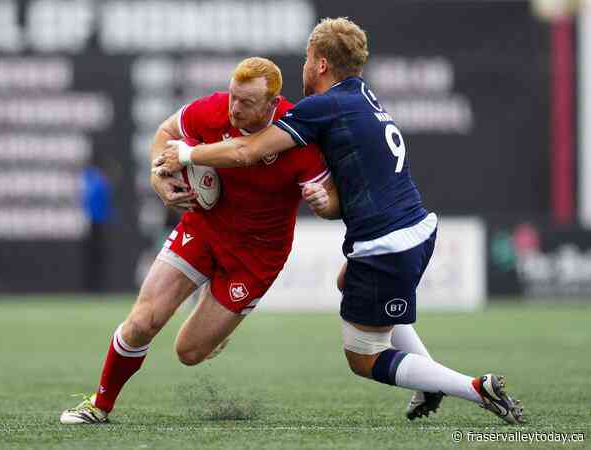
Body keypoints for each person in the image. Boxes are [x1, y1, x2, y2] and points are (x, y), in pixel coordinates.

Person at [153, 18, 525, 424]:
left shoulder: (323, 106)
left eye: (309, 59)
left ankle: (473, 388)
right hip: (415, 229)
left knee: (364, 357)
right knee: (347, 283)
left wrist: (186, 155)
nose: (305, 67)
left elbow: (248, 152)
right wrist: (326, 198)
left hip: (386, 244)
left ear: (322, 64)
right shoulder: (362, 95)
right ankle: (428, 382)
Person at [60, 57, 332, 424]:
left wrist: (324, 202)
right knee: (143, 321)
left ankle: (214, 310)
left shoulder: (298, 134)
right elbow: (164, 134)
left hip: (257, 255)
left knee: (188, 352)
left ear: (271, 104)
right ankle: (100, 405)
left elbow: (331, 202)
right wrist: (159, 177)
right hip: (205, 228)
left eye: (246, 102)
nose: (234, 108)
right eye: (233, 97)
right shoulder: (213, 109)